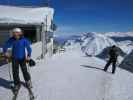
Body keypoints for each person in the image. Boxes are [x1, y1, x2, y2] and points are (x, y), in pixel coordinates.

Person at [3, 28, 32, 92]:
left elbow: (29, 48)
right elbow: (5, 46)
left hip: (22, 58)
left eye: (16, 33)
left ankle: (28, 81)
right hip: (14, 58)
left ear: (19, 33)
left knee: (24, 70)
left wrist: (29, 55)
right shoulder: (12, 39)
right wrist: (5, 53)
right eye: (14, 33)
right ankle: (17, 84)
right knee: (15, 72)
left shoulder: (24, 40)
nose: (15, 35)